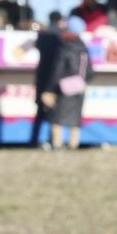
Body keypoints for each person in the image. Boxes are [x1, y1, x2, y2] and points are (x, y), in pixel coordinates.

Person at [45, 18, 92, 150]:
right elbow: (90, 70)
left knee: (57, 118)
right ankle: (73, 144)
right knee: (75, 118)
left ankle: (57, 144)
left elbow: (57, 69)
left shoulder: (64, 46)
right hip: (79, 86)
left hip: (63, 87)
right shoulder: (83, 47)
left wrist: (50, 88)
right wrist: (83, 81)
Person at [29, 12, 65, 148]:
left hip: (41, 75)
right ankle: (53, 141)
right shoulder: (62, 35)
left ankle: (33, 140)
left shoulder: (42, 35)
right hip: (56, 77)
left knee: (39, 111)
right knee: (55, 113)